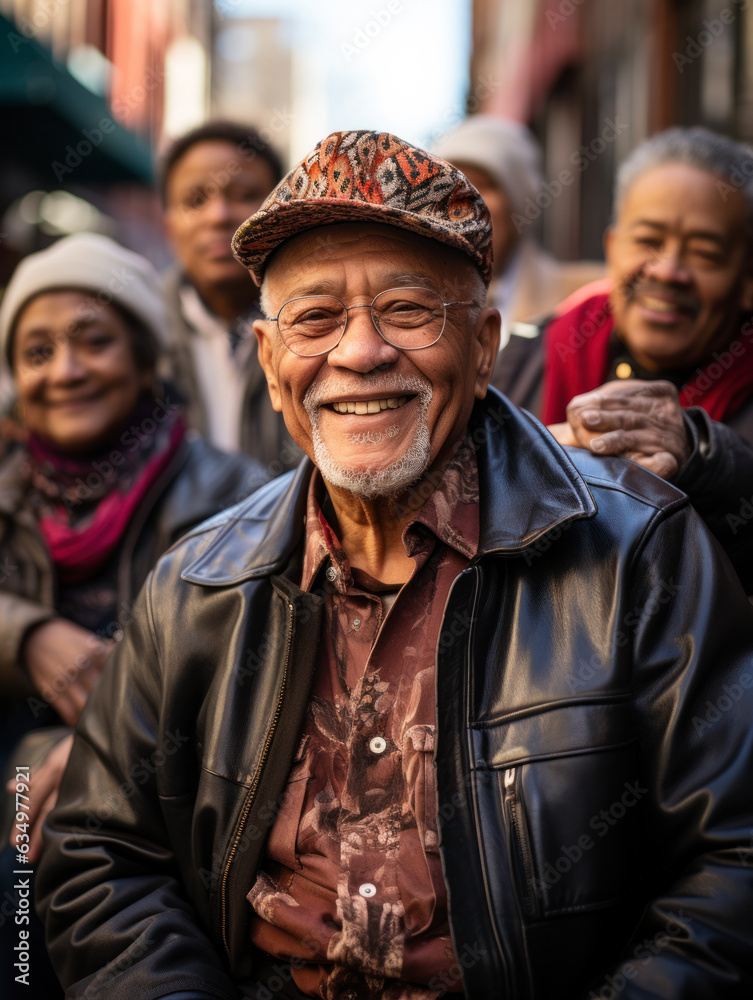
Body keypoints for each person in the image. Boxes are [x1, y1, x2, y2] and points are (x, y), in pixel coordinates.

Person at [37, 131, 753, 1000]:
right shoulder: (197, 583)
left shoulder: (636, 548)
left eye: (409, 310)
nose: (360, 352)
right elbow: (102, 860)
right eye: (314, 319)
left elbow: (731, 864)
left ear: (484, 346)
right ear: (269, 364)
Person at [0, 232, 266, 999]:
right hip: (23, 760)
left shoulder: (232, 495)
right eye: (38, 350)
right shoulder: (7, 486)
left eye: (94, 341)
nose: (66, 370)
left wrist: (98, 735)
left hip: (165, 772)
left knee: (35, 823)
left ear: (148, 360)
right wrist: (28, 633)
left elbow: (232, 652)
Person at [492, 126, 753, 590]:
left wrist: (702, 459)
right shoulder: (521, 359)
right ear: (613, 249)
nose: (668, 271)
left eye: (706, 253)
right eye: (648, 241)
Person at [161, 120, 299, 471]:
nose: (219, 215)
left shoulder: (315, 327)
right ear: (168, 225)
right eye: (195, 200)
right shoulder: (138, 336)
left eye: (244, 196)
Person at [432, 114, 604, 346]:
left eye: (482, 185)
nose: (463, 202)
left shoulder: (587, 298)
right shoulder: (412, 301)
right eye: (451, 187)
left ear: (519, 203)